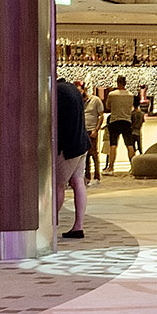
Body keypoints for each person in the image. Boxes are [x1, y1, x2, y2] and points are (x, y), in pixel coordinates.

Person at [55, 76, 89, 240]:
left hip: (68, 147)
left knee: (58, 185)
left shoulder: (57, 93)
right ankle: (78, 226)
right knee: (78, 182)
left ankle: (49, 226)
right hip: (82, 143)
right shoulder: (74, 90)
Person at [104, 75, 138, 174]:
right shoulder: (130, 95)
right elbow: (131, 107)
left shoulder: (112, 94)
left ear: (117, 83)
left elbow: (108, 106)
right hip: (127, 121)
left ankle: (111, 168)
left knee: (113, 145)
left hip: (114, 121)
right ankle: (133, 167)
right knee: (129, 145)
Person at [83, 84, 104, 183]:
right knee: (85, 154)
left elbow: (101, 116)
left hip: (92, 130)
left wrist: (96, 129)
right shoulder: (80, 101)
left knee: (94, 153)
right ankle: (87, 176)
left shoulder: (95, 100)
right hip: (83, 131)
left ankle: (97, 176)